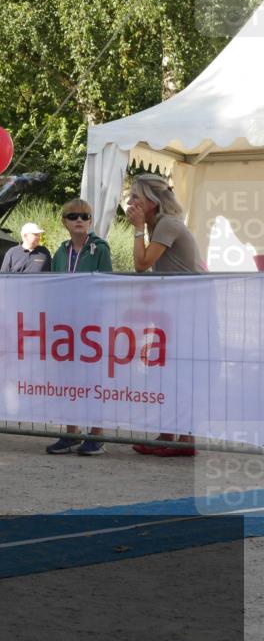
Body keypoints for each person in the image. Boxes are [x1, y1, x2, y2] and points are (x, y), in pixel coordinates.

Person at [126, 173, 204, 457]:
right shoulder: (161, 224)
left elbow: (141, 263)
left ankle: (182, 437)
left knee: (179, 371)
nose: (130, 201)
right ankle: (172, 434)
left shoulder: (167, 224)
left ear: (151, 201)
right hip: (178, 309)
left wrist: (136, 228)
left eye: (136, 196)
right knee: (170, 371)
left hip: (189, 309)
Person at [44, 199, 113, 456]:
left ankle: (97, 434)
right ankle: (70, 432)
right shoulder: (60, 252)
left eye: (85, 216)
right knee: (68, 380)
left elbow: (106, 285)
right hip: (66, 325)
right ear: (64, 222)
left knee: (93, 380)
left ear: (91, 221)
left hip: (91, 326)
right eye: (73, 216)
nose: (79, 220)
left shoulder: (100, 249)